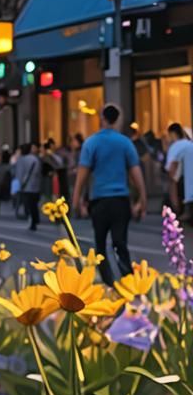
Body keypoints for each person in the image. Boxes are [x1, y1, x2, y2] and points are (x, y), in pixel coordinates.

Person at [72, 104, 147, 286]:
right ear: (118, 120)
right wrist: (142, 199)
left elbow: (83, 174)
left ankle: (108, 282)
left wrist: (76, 200)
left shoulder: (91, 143)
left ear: (102, 118)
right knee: (120, 242)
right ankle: (128, 282)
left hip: (99, 202)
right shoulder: (125, 143)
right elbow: (135, 173)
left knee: (100, 244)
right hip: (121, 200)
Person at [165, 122, 193, 225]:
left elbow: (171, 171)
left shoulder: (175, 147)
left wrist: (174, 200)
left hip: (183, 188)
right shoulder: (190, 144)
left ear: (172, 134)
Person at [14, 142, 43, 231]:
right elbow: (38, 172)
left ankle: (32, 221)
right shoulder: (35, 159)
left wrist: (21, 183)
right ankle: (35, 219)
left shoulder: (21, 160)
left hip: (26, 186)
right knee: (34, 204)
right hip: (36, 185)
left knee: (28, 205)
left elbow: (19, 174)